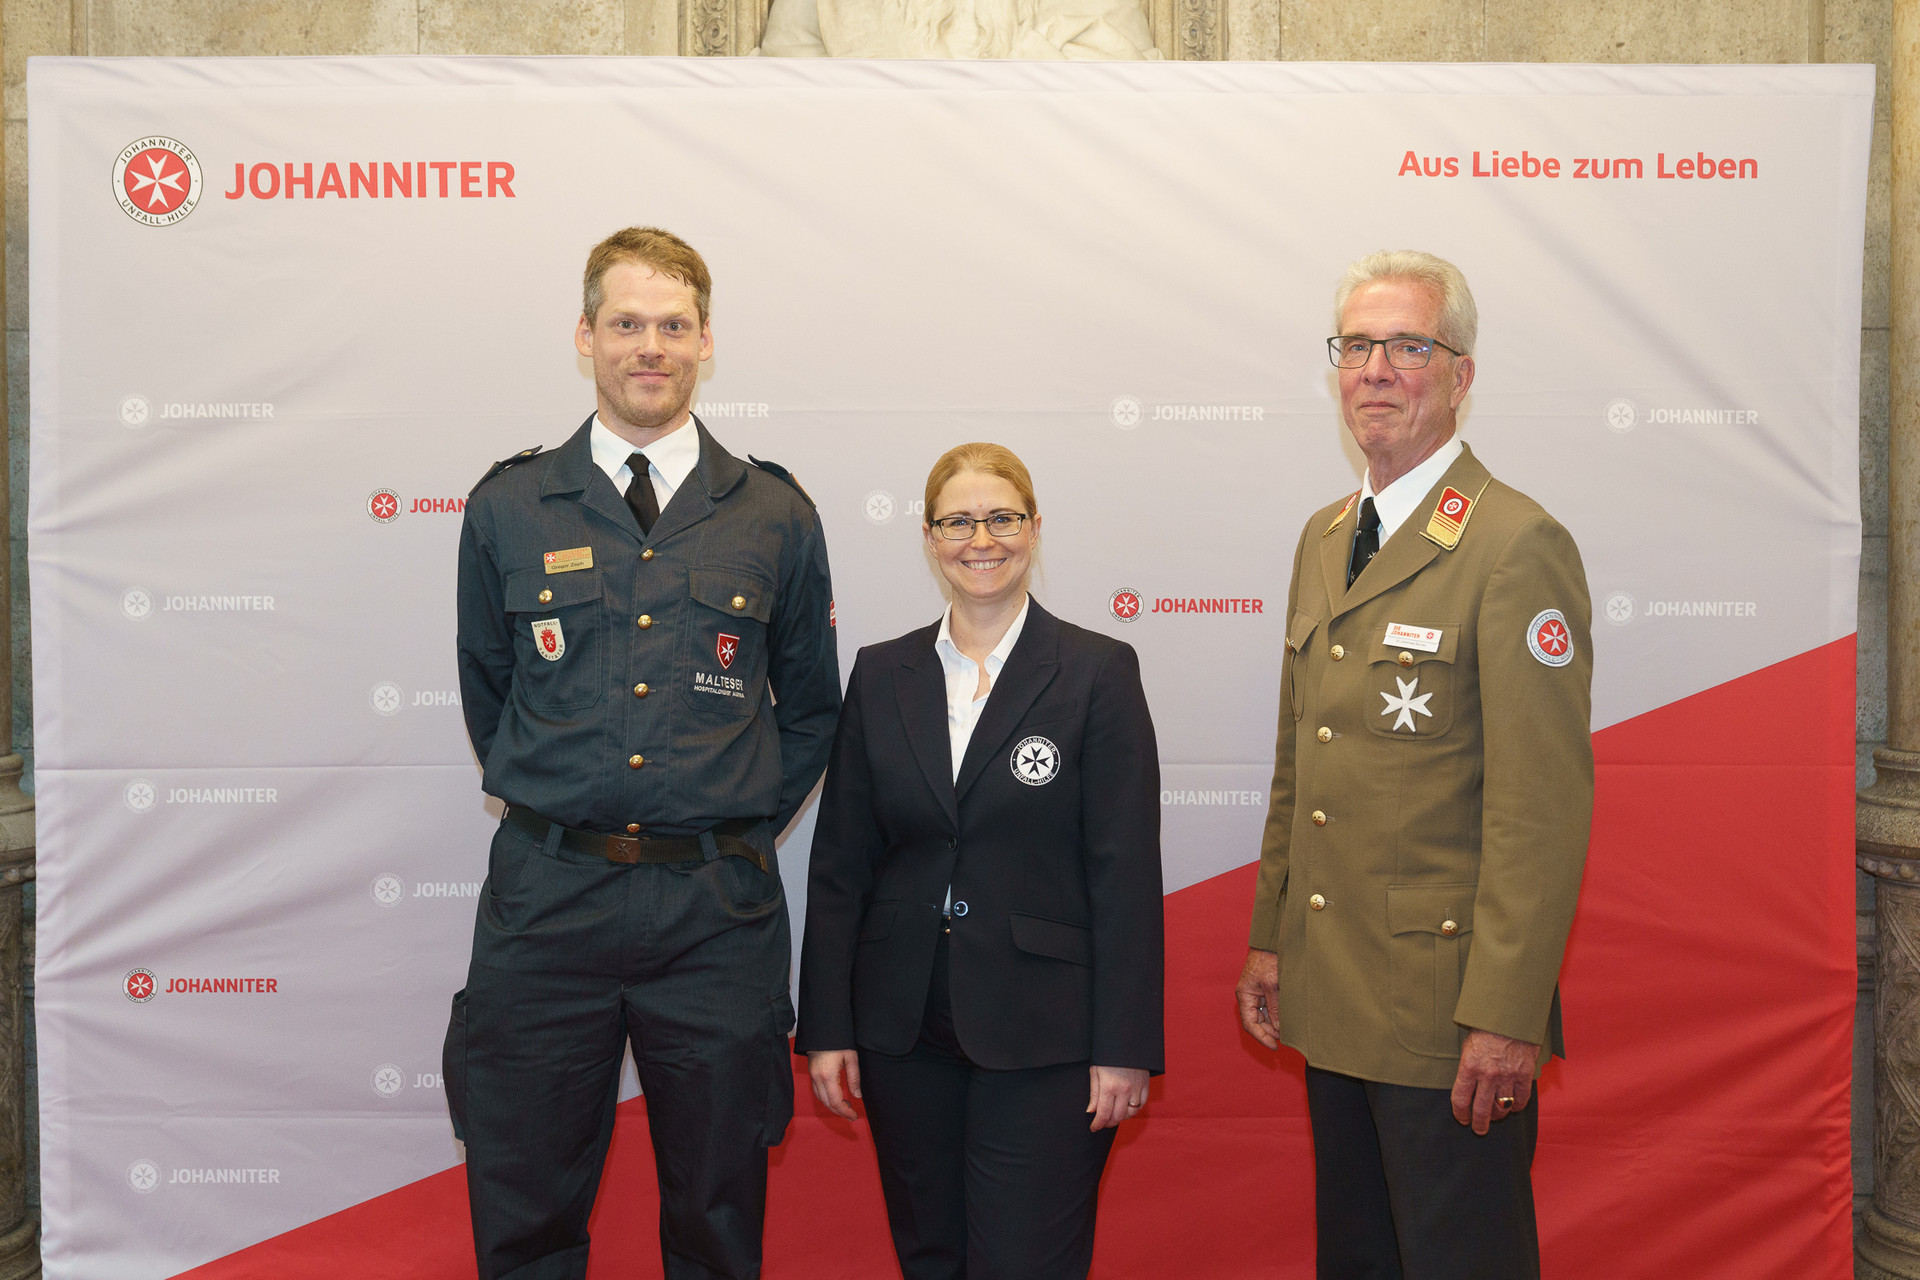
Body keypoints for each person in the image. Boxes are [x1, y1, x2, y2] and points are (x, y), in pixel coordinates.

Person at [445, 226, 841, 1280]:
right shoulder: (508, 505)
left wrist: (724, 813)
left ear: (707, 340)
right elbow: (490, 690)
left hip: (714, 915)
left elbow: (809, 710)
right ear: (586, 336)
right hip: (546, 900)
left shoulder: (775, 512)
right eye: (626, 323)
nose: (649, 347)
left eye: (672, 325)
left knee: (716, 1215)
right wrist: (566, 800)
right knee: (525, 1207)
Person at [1234, 251, 1594, 1280]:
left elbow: (1541, 808)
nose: (1377, 370)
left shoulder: (1515, 542)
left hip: (1448, 1015)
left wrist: (1506, 1013)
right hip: (1336, 992)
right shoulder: (1326, 535)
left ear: (1461, 374)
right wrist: (1271, 937)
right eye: (1357, 346)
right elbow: (1303, 764)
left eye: (1408, 346)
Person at [797, 443, 1164, 1280]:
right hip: (902, 1033)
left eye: (1001, 517)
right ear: (929, 538)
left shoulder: (1098, 672)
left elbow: (1126, 874)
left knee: (1024, 1263)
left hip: (1048, 1038)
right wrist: (827, 1027)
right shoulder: (882, 672)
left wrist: (1126, 1043)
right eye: (958, 521)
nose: (981, 538)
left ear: (1033, 528)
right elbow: (842, 864)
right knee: (932, 1258)